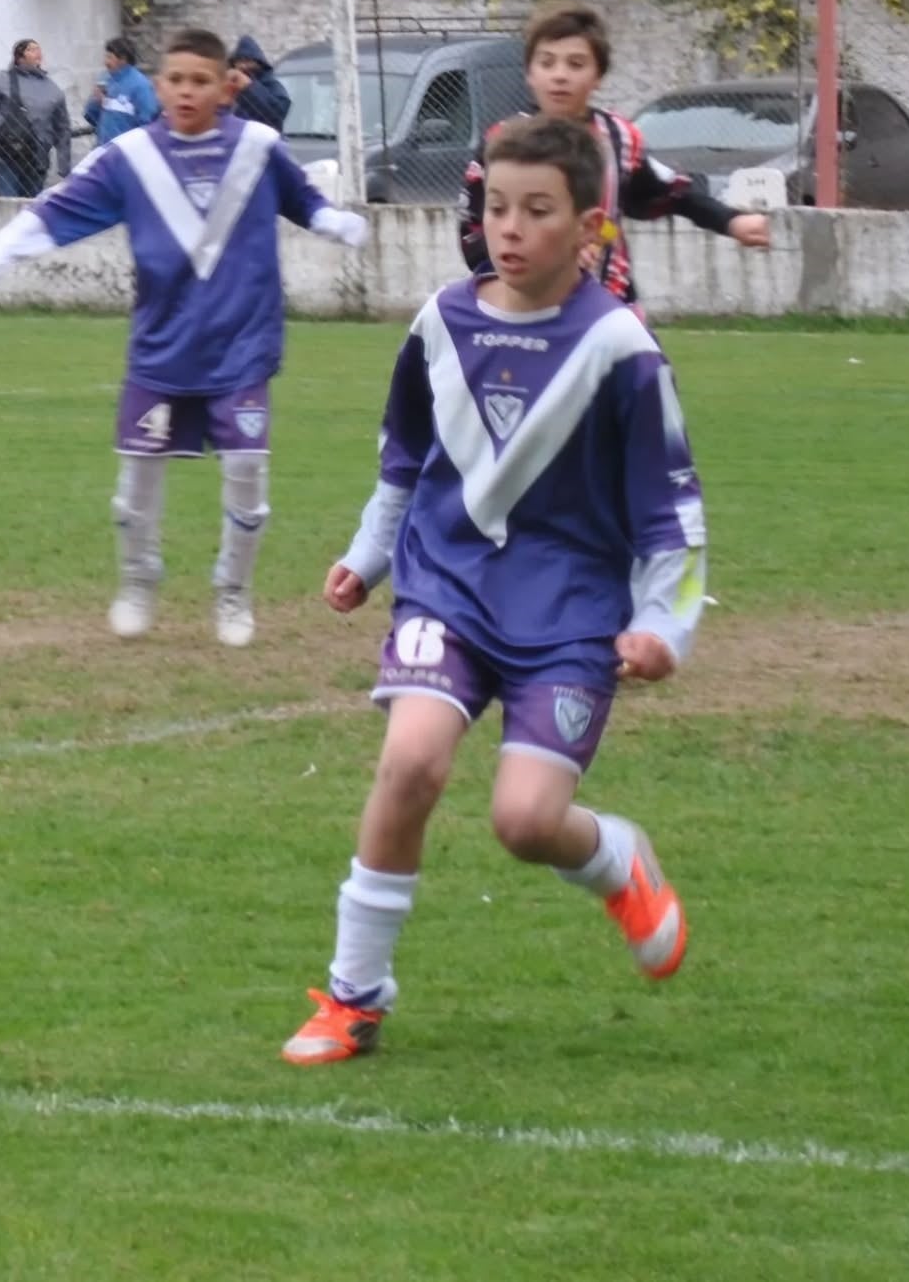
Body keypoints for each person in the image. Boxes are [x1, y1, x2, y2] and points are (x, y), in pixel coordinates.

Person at [281, 114, 707, 1067]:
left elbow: (671, 505)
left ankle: (614, 858)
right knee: (412, 763)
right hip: (449, 590)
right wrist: (368, 554)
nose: (509, 229)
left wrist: (660, 626)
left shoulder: (621, 349)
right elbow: (405, 457)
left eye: (537, 211)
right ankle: (353, 995)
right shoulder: (441, 320)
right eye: (495, 208)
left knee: (523, 822)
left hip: (570, 616)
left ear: (591, 228)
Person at [0, 28, 367, 648]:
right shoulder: (132, 159)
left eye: (202, 80)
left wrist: (333, 220)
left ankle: (233, 590)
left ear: (227, 88)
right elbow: (55, 210)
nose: (187, 91)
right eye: (177, 79)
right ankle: (140, 577)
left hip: (241, 349)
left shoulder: (257, 147)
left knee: (249, 473)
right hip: (161, 350)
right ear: (160, 85)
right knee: (136, 484)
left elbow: (302, 197)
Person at [458, 1, 770, 311]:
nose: (560, 75)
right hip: (530, 310)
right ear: (529, 73)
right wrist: (517, 275)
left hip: (612, 303)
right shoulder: (503, 141)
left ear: (598, 75)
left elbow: (667, 193)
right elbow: (472, 227)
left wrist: (731, 221)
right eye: (547, 63)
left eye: (576, 64)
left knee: (646, 362)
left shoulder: (620, 138)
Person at [0, 39, 71, 198]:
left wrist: (64, 165)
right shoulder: (2, 79)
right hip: (6, 156)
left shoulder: (53, 89)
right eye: (31, 49)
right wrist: (1, 125)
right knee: (7, 206)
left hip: (37, 160)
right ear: (19, 57)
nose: (38, 53)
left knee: (31, 210)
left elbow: (62, 127)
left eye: (39, 49)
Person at [84, 37, 160, 146]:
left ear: (123, 59)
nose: (105, 62)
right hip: (103, 151)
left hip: (127, 154)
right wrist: (96, 102)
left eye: (110, 57)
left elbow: (148, 124)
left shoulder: (141, 85)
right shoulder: (104, 79)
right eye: (106, 57)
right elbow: (91, 117)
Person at [227, 35, 291, 133]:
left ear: (259, 63)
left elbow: (276, 115)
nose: (244, 66)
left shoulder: (271, 85)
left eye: (248, 61)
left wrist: (249, 88)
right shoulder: (229, 86)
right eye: (240, 61)